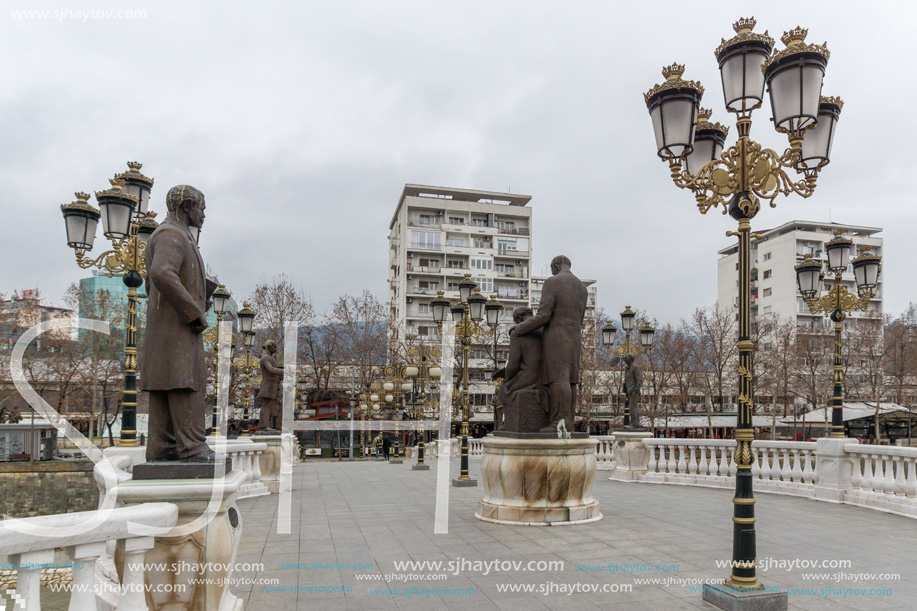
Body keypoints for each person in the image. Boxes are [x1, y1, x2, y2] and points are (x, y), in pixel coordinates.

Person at [140, 185, 216, 462]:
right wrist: (193, 312)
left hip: (164, 331)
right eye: (202, 209)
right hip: (178, 330)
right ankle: (193, 448)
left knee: (166, 385)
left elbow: (154, 282)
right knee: (186, 383)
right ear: (187, 206)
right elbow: (161, 273)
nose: (203, 216)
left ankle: (162, 449)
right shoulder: (172, 234)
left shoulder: (170, 234)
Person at [512, 255, 588, 432]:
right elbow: (581, 318)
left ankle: (558, 423)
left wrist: (519, 329)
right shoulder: (582, 288)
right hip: (575, 337)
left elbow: (543, 316)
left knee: (558, 378)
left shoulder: (553, 282)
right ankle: (568, 423)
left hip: (556, 337)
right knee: (571, 381)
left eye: (552, 268)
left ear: (555, 265)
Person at [493, 307, 548, 432]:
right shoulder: (543, 329)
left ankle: (510, 423)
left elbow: (513, 363)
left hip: (529, 375)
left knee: (505, 386)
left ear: (518, 318)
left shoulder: (517, 331)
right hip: (544, 376)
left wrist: (507, 376)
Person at [256, 339, 284, 432]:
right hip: (268, 386)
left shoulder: (270, 357)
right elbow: (270, 369)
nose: (276, 348)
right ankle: (264, 426)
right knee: (266, 406)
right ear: (269, 347)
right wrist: (283, 371)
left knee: (270, 406)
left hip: (272, 386)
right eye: (274, 346)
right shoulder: (265, 358)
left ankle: (268, 426)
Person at [624, 354, 644, 429]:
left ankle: (633, 424)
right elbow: (626, 380)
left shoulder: (635, 367)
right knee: (634, 407)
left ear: (631, 359)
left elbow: (639, 380)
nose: (625, 359)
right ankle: (636, 424)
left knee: (632, 407)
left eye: (626, 358)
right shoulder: (628, 368)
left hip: (633, 391)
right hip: (629, 391)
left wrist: (636, 389)